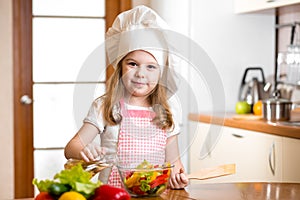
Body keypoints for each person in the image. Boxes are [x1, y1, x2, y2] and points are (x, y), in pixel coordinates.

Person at [64, 5, 188, 189]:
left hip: (152, 195)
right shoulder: (105, 106)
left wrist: (178, 179)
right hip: (111, 194)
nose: (140, 73)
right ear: (120, 66)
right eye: (132, 64)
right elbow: (70, 148)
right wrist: (84, 150)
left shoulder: (167, 112)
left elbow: (174, 164)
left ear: (161, 74)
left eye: (151, 67)